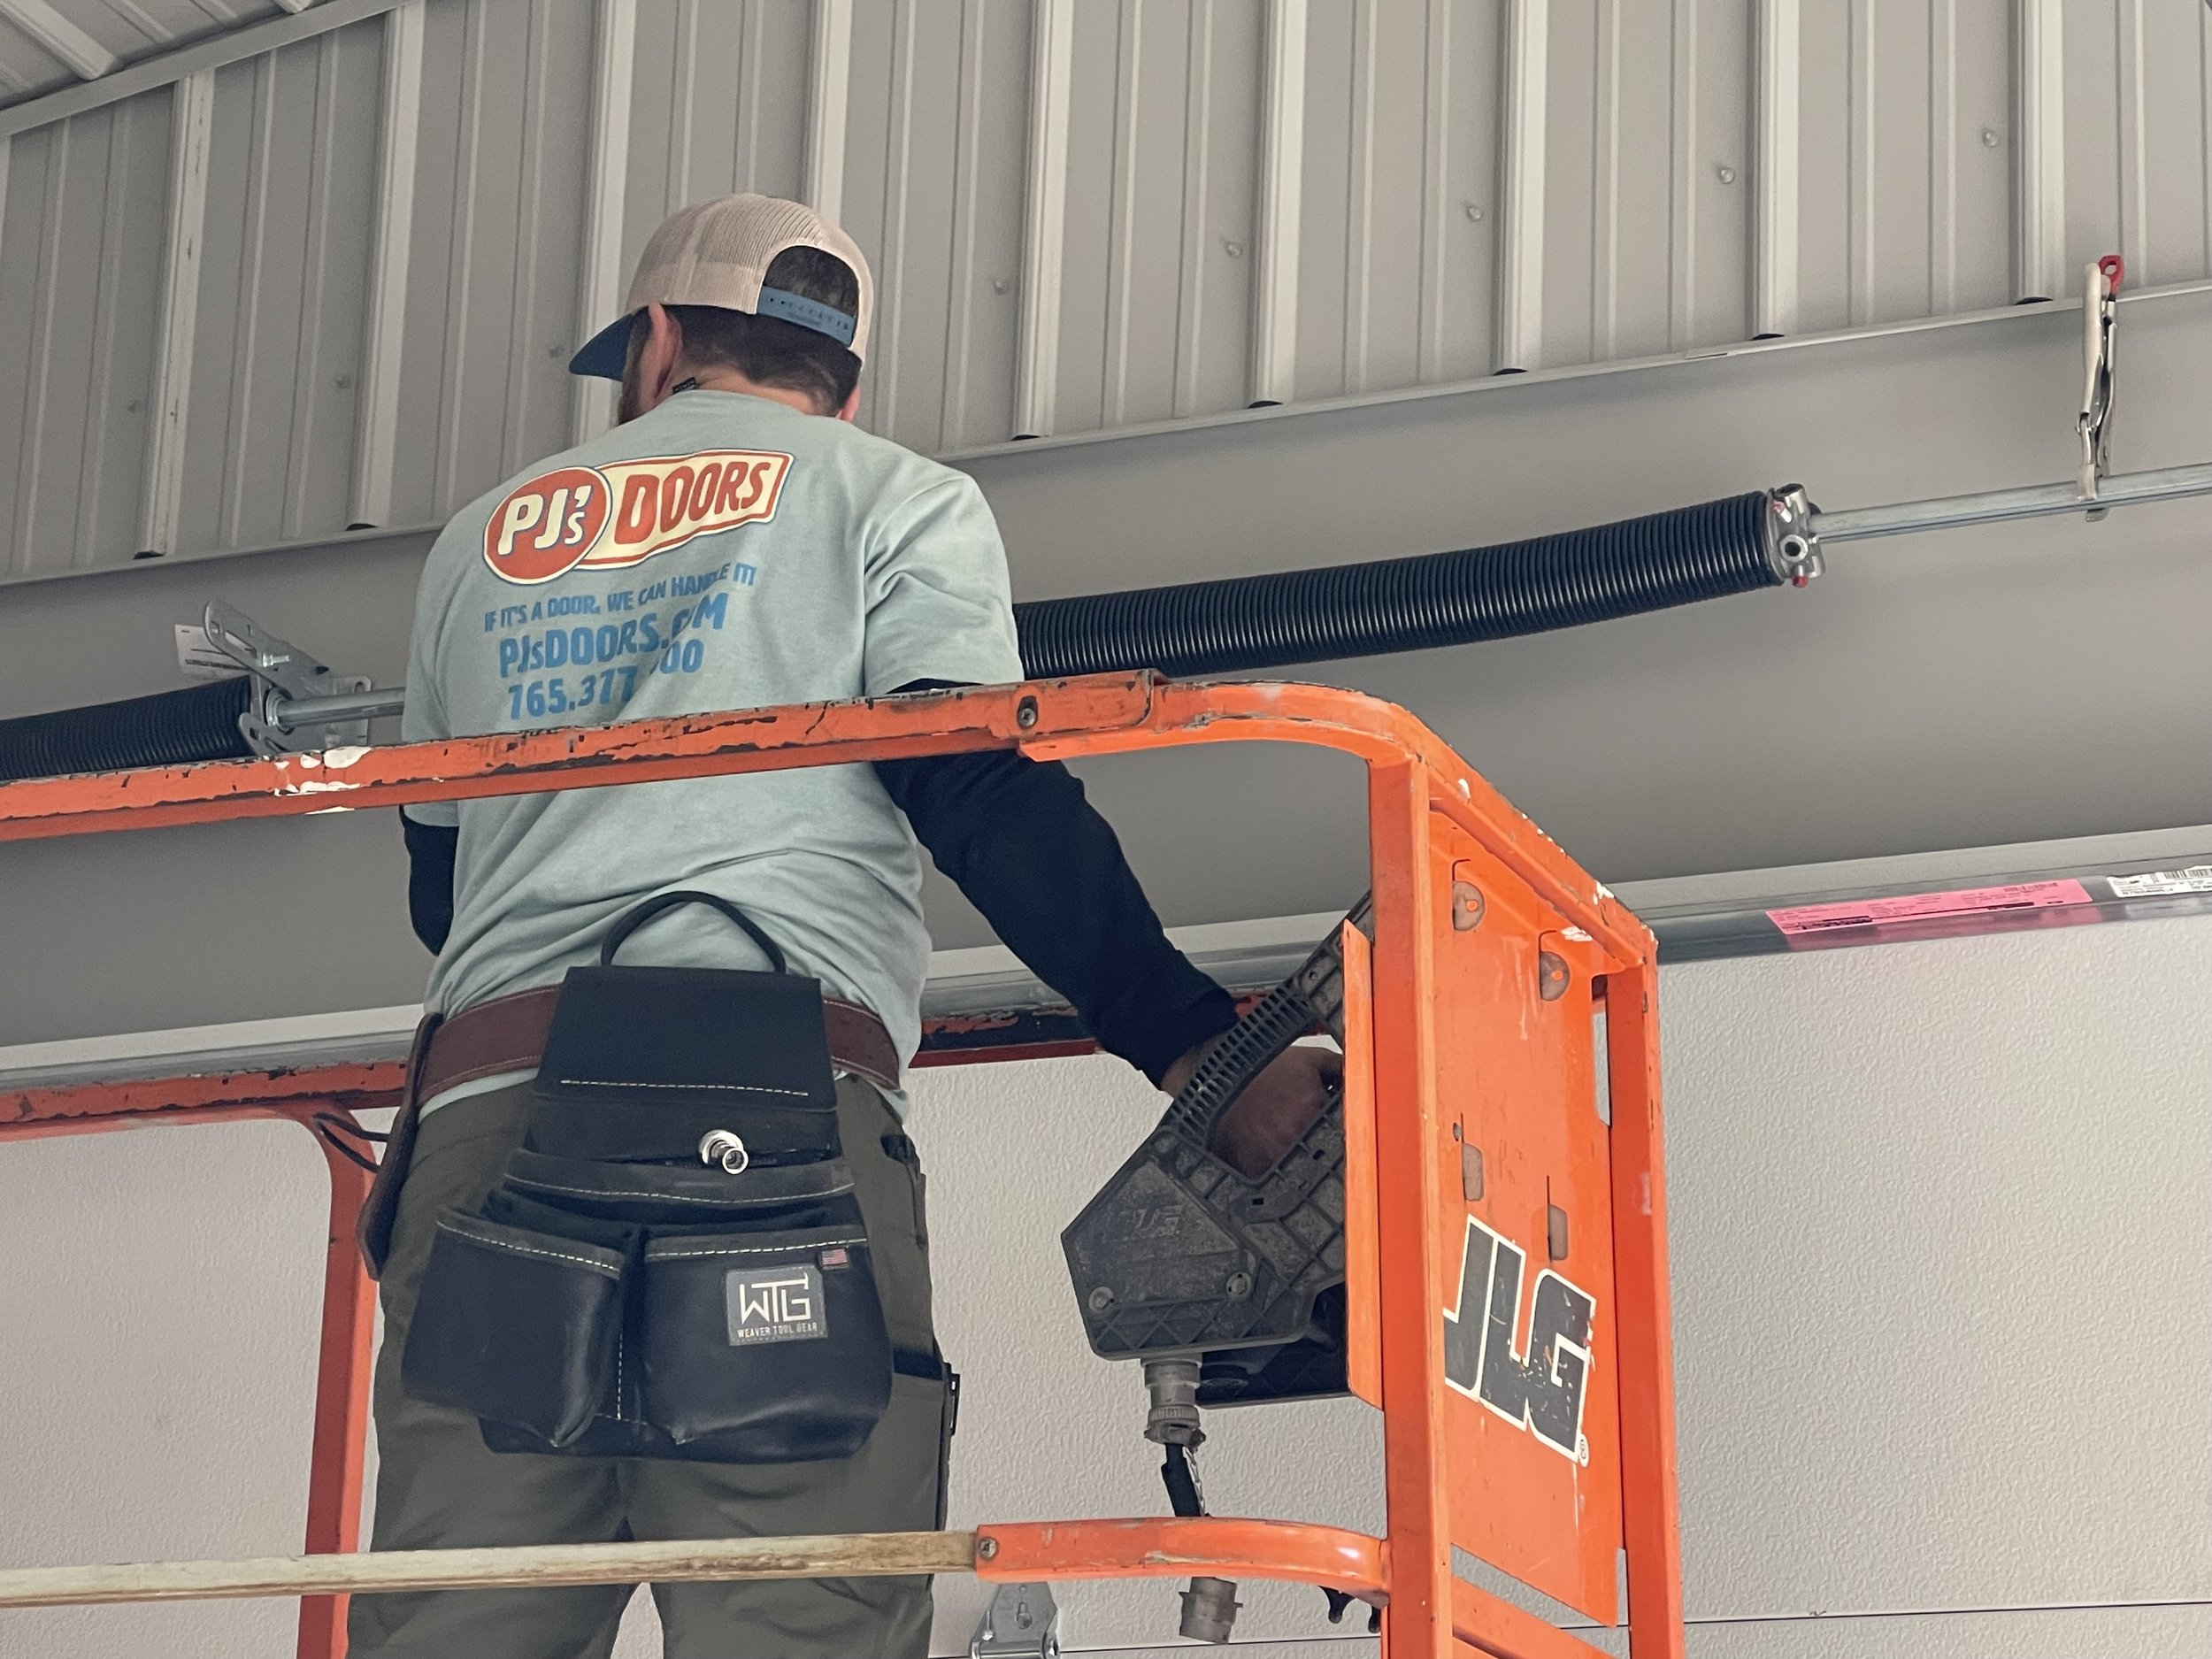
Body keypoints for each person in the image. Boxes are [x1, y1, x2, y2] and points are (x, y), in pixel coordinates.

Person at [356, 191, 1335, 1659]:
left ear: (660, 346)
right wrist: (1195, 1043)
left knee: (461, 1628)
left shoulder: (481, 541)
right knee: (792, 1620)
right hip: (774, 1122)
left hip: (491, 1119)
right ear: (847, 384)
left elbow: (442, 896)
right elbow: (969, 785)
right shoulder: (890, 494)